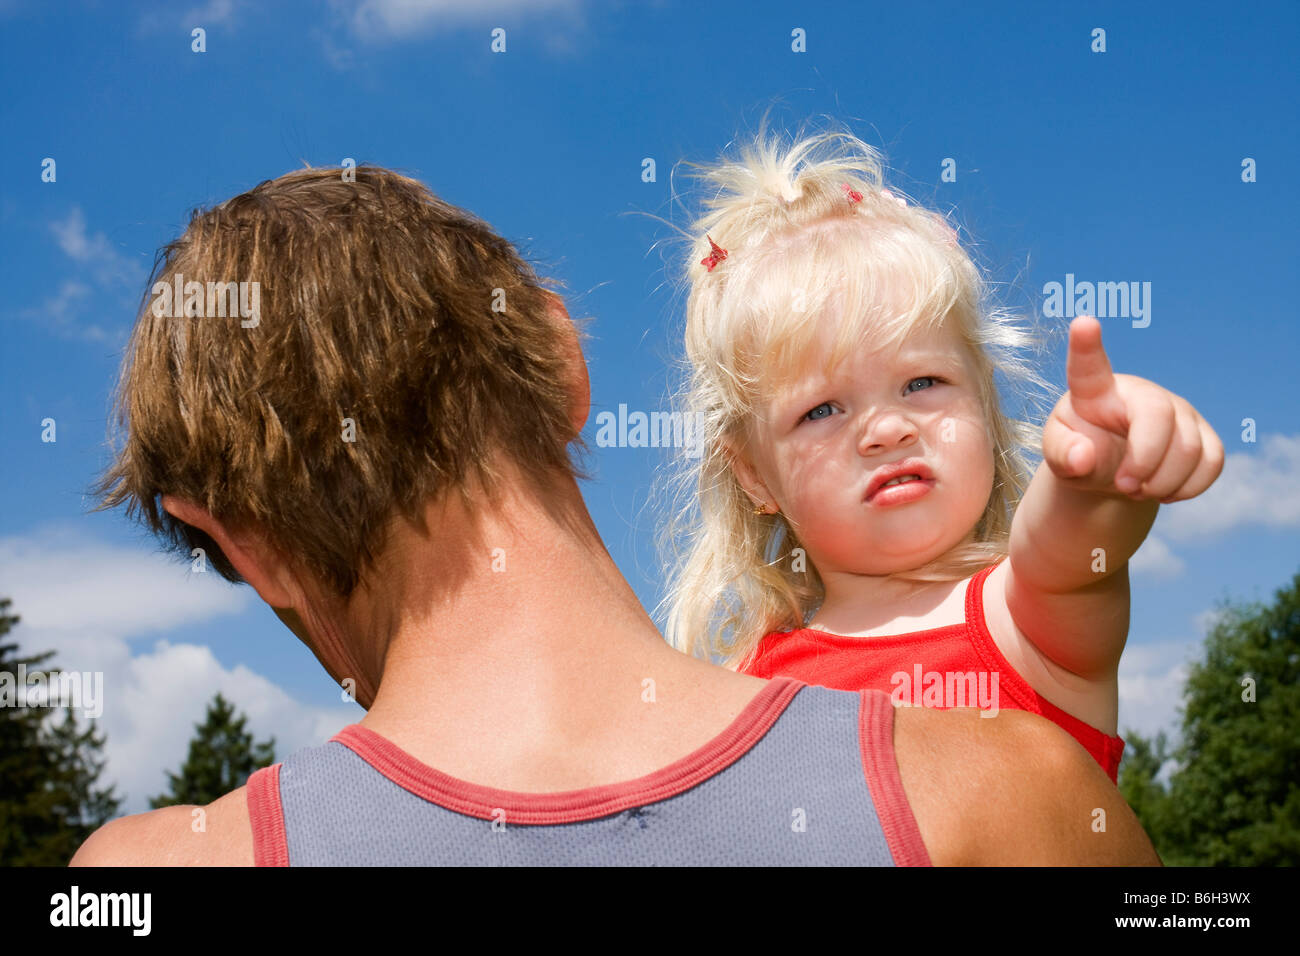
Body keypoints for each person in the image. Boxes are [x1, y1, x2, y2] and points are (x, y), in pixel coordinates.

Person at [70, 165, 1157, 865]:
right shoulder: (1009, 794)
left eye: (922, 385)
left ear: (237, 540)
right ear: (562, 358)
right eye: (824, 406)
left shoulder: (145, 876)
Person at [658, 125, 1224, 783]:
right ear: (754, 474)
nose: (888, 429)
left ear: (984, 404)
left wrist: (1096, 474)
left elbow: (1069, 551)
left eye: (922, 383)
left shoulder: (1028, 616)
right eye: (820, 410)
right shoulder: (740, 689)